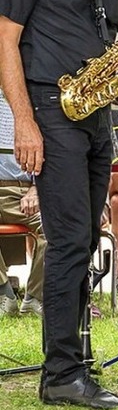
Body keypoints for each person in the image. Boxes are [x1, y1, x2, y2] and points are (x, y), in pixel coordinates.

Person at [0, 0, 118, 409]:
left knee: (84, 240)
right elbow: (5, 40)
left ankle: (75, 363)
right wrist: (26, 122)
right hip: (52, 114)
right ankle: (60, 374)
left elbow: (113, 43)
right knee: (69, 240)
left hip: (97, 117)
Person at [0, 96, 46, 316]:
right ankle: (4, 292)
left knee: (57, 226)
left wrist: (37, 188)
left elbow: (54, 154)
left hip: (25, 189)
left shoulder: (33, 101)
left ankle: (35, 297)